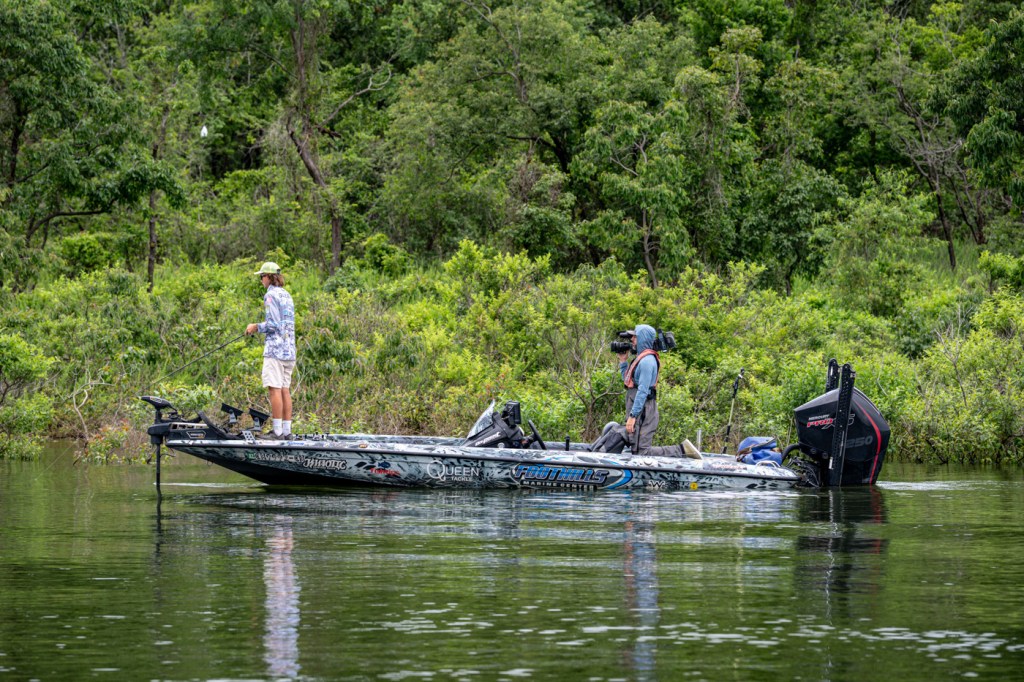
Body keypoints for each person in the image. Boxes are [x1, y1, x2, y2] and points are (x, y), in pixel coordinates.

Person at [617, 324, 689, 457]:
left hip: (644, 409)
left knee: (642, 451)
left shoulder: (647, 361)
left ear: (643, 339)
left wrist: (633, 416)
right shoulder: (641, 358)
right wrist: (623, 362)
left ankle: (682, 450)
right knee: (635, 448)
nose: (632, 339)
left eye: (635, 337)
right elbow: (629, 382)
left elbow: (643, 391)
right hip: (638, 408)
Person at [246, 262, 296, 439]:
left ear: (268, 277)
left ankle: (277, 432)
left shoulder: (270, 295)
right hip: (289, 351)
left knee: (274, 389)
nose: (261, 280)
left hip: (275, 351)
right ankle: (286, 432)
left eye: (262, 276)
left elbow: (273, 324)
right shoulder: (286, 294)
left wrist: (255, 327)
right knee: (284, 390)